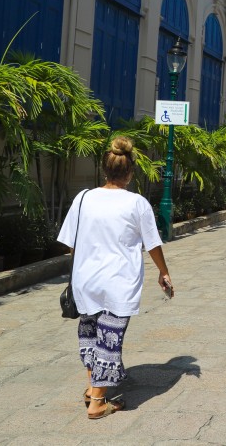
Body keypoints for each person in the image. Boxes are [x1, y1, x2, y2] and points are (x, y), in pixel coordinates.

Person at [57, 136, 173, 420]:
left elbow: (70, 244)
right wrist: (164, 271)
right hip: (118, 282)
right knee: (110, 337)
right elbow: (152, 243)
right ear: (130, 172)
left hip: (86, 281)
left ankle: (91, 388)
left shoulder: (83, 198)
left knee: (89, 333)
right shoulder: (137, 203)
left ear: (104, 169)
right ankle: (97, 402)